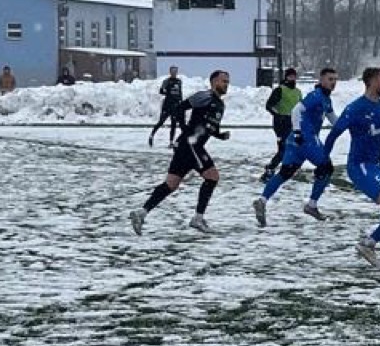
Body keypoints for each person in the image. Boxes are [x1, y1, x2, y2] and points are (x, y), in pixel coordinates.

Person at [323, 66, 380, 268]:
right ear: (371, 82)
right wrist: (323, 160)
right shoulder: (355, 109)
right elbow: (333, 134)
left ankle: (369, 243)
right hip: (360, 167)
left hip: (377, 166)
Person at [130, 69, 230, 234]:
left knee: (171, 184)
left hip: (187, 146)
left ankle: (141, 213)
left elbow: (210, 126)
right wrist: (186, 130)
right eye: (223, 81)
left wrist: (220, 135)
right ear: (213, 82)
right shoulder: (204, 96)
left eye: (227, 81)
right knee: (212, 177)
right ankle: (197, 219)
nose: (226, 84)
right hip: (192, 145)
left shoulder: (220, 104)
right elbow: (178, 109)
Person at [254, 66, 338, 224]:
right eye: (330, 79)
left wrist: (350, 125)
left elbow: (334, 119)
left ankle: (262, 201)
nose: (333, 83)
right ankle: (311, 205)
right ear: (321, 80)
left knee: (285, 172)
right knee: (327, 168)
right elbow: (296, 111)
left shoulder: (326, 99)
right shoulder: (316, 96)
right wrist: (299, 132)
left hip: (295, 140)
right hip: (306, 139)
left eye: (335, 80)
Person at [261, 67, 303, 178]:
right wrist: (278, 115)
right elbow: (269, 105)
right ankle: (270, 168)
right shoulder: (280, 90)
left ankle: (287, 168)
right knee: (283, 149)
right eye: (290, 76)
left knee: (293, 147)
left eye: (294, 76)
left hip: (294, 123)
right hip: (281, 123)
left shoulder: (298, 92)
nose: (292, 78)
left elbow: (301, 108)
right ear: (286, 77)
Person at [148, 66, 184, 144]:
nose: (174, 73)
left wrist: (181, 103)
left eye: (175, 71)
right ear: (170, 72)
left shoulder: (179, 81)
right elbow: (161, 91)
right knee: (161, 122)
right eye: (172, 71)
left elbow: (180, 93)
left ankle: (171, 142)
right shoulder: (167, 81)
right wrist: (168, 93)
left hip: (175, 105)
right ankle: (151, 135)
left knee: (174, 123)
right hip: (167, 105)